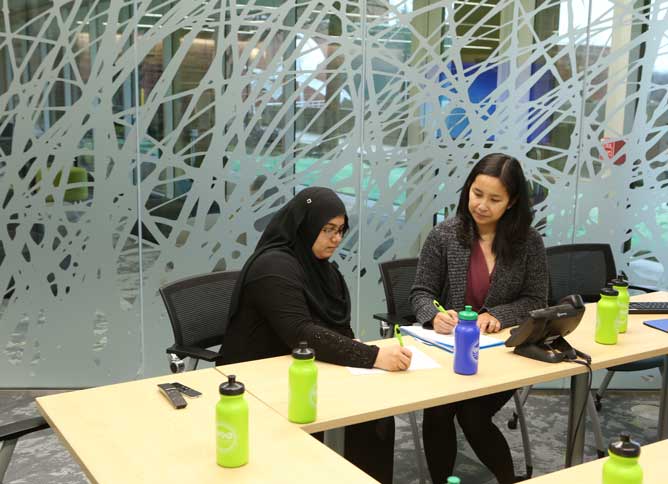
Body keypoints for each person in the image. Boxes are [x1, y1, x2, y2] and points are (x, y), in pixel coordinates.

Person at [219, 186, 412, 484]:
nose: (336, 239)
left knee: (374, 414)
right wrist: (373, 356)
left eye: (340, 230)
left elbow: (335, 325)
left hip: (304, 370)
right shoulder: (273, 267)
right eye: (327, 230)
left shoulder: (323, 269)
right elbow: (301, 333)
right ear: (305, 226)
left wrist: (353, 347)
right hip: (260, 380)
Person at [410, 153, 548, 484]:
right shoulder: (444, 235)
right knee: (439, 409)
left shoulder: (529, 243)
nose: (482, 205)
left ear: (512, 202)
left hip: (500, 356)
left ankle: (506, 479)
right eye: (476, 193)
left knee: (472, 415)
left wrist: (497, 315)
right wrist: (434, 315)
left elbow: (536, 300)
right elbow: (420, 293)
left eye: (494, 199)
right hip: (449, 352)